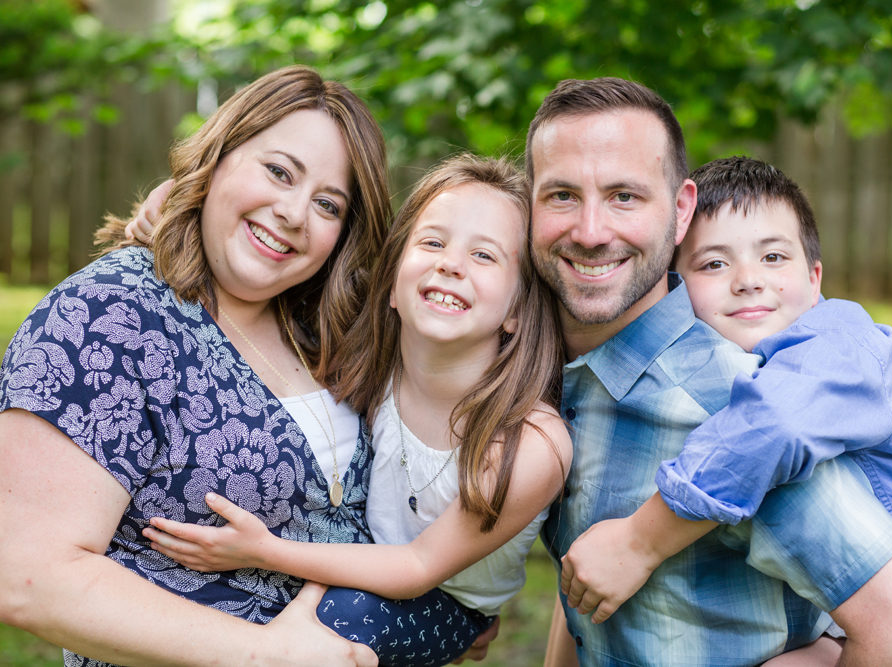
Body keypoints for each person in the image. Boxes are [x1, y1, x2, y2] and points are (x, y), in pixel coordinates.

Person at [529, 78, 892, 665]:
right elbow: (584, 583)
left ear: (681, 210)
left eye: (624, 196)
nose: (589, 230)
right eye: (561, 195)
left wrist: (642, 538)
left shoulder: (735, 412)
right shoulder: (557, 373)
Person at [0, 65, 394, 666]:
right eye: (278, 171)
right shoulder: (110, 314)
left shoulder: (321, 328)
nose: (292, 212)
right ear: (219, 158)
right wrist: (268, 655)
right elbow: (27, 574)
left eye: (327, 204)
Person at [130, 154, 573, 667]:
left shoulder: (529, 443)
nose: (451, 263)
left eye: (485, 256)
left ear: (518, 311)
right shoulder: (371, 356)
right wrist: (171, 199)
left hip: (445, 600)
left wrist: (262, 550)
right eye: (432, 242)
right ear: (391, 283)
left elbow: (417, 565)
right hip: (364, 557)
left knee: (327, 625)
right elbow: (286, 254)